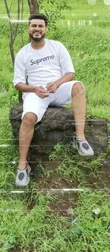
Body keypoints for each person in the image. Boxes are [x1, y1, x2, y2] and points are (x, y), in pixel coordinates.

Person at [13, 13, 94, 187]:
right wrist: (34, 88)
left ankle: (80, 139)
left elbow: (70, 73)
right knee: (28, 118)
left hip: (57, 89)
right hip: (36, 93)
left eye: (40, 26)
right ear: (28, 28)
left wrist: (57, 84)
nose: (37, 29)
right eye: (34, 26)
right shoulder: (23, 53)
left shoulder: (56, 46)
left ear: (45, 29)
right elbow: (18, 83)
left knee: (78, 86)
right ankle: (22, 166)